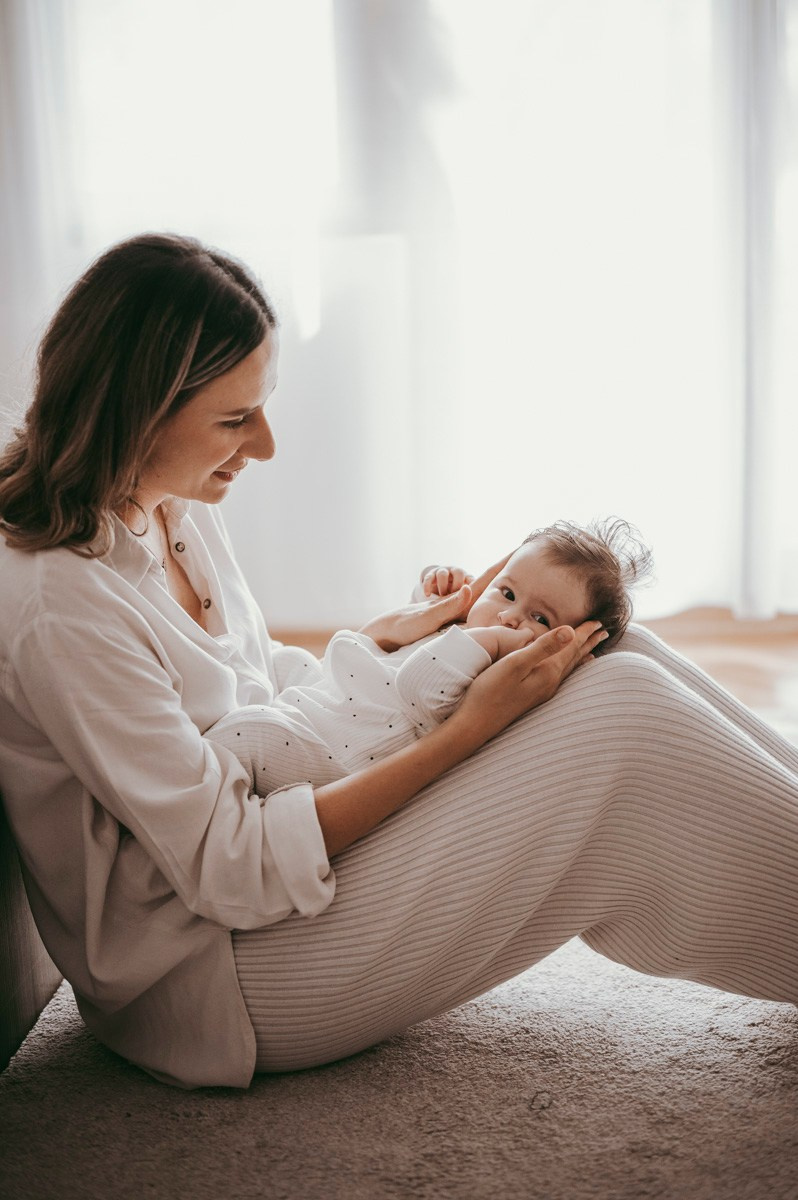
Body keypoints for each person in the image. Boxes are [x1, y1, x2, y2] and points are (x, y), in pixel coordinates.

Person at [0, 234, 796, 1092]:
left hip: (272, 875)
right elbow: (229, 864)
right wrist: (466, 731)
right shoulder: (62, 603)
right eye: (235, 420)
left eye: (261, 407)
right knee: (623, 711)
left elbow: (263, 697)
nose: (264, 445)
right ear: (136, 412)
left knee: (605, 638)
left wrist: (388, 640)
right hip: (215, 973)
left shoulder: (170, 507)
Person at [208, 520, 653, 794]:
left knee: (251, 731)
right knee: (284, 664)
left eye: (539, 617)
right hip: (328, 696)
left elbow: (418, 684)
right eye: (507, 592)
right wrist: (434, 592)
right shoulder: (469, 629)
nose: (509, 617)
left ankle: (205, 774)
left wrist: (493, 643)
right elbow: (415, 633)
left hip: (328, 752)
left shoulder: (498, 671)